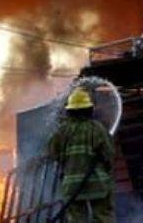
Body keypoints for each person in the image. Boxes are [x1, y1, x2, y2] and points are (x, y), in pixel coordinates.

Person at [48, 86, 115, 223]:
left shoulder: (62, 132)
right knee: (103, 217)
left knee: (76, 220)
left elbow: (52, 153)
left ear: (70, 111)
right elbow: (109, 154)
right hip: (98, 183)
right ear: (89, 109)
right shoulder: (97, 128)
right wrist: (107, 170)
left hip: (72, 186)